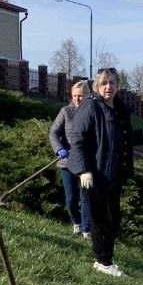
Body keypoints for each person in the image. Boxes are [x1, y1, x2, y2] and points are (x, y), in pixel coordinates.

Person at [67, 68, 143, 277]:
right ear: (97, 85)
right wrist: (83, 170)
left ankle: (105, 259)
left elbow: (119, 138)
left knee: (112, 218)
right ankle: (103, 262)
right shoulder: (91, 106)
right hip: (95, 174)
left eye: (112, 83)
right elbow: (78, 140)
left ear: (117, 85)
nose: (109, 87)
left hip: (114, 173)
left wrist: (142, 134)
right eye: (104, 83)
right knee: (101, 219)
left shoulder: (118, 108)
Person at [49, 79, 92, 236]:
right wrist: (59, 149)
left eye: (80, 96)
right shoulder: (65, 111)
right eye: (74, 96)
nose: (77, 99)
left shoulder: (91, 111)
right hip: (66, 162)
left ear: (87, 95)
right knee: (71, 199)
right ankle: (77, 222)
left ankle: (87, 229)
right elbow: (53, 132)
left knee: (85, 197)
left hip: (85, 162)